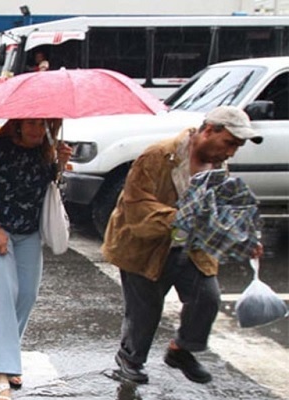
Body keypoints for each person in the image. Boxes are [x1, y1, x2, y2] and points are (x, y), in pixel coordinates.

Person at [104, 106, 264, 385]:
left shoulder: (218, 166)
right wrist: (184, 219)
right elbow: (137, 206)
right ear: (209, 130)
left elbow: (220, 208)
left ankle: (181, 350)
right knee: (145, 310)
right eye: (229, 143)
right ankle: (129, 359)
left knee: (207, 297)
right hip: (144, 246)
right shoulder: (158, 156)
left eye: (237, 146)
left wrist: (243, 238)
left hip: (190, 248)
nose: (231, 152)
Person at [0, 119, 72, 400]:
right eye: (33, 124)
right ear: (19, 125)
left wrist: (59, 164)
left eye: (44, 124)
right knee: (6, 290)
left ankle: (8, 356)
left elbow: (51, 187)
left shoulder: (45, 150)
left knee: (27, 294)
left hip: (29, 233)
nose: (38, 130)